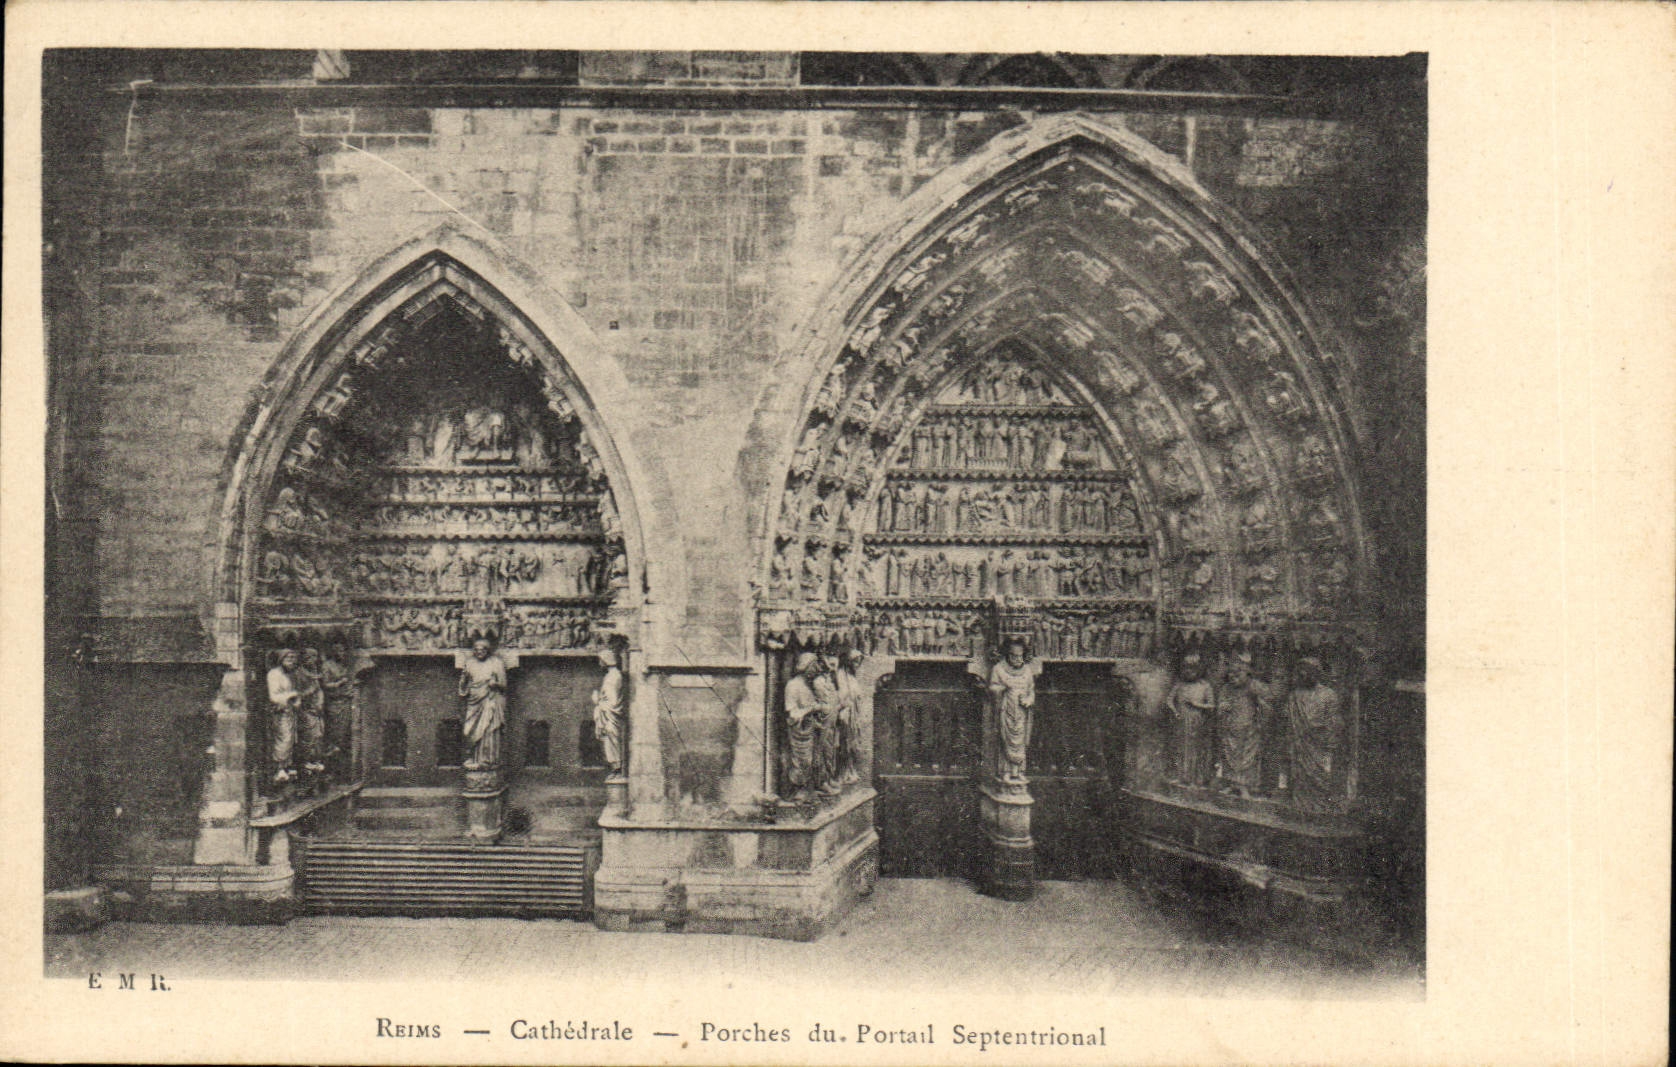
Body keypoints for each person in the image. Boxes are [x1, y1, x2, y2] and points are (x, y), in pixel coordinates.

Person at [1284, 656, 1344, 812]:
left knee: (1320, 774)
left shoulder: (1329, 694)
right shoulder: (1295, 695)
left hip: (1319, 743)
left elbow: (1334, 720)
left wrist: (1330, 740)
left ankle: (1319, 805)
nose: (1303, 674)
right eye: (1301, 671)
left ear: (1316, 673)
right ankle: (1300, 806)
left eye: (1308, 671)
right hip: (1300, 742)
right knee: (1299, 774)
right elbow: (1289, 720)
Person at [1216, 651, 1275, 798]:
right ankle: (1232, 784)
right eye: (1231, 675)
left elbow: (1267, 700)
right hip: (1231, 727)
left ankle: (1244, 786)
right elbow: (1221, 702)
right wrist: (1223, 706)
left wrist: (1261, 706)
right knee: (1229, 756)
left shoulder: (1253, 686)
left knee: (1247, 757)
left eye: (1237, 675)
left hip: (1249, 728)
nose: (1233, 678)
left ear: (1247, 673)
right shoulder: (1226, 688)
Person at [988, 637, 1042, 785]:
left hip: (1021, 712)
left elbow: (1031, 690)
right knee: (1005, 740)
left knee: (1020, 742)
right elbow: (992, 687)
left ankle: (1018, 772)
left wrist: (1029, 699)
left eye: (1020, 656)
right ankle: (1005, 771)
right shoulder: (998, 669)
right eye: (1014, 656)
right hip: (1006, 711)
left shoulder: (1027, 671)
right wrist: (1002, 689)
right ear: (1007, 654)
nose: (1017, 659)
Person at [782, 652, 835, 801]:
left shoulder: (808, 684)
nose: (817, 669)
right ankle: (798, 790)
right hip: (799, 731)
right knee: (802, 761)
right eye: (814, 666)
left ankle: (813, 786)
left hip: (811, 728)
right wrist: (813, 708)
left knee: (814, 759)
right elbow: (792, 713)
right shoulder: (793, 685)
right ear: (806, 667)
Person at [458, 636, 507, 770]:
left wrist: (495, 684)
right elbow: (464, 686)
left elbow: (503, 684)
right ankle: (474, 758)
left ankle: (488, 761)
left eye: (482, 650)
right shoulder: (470, 663)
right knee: (470, 730)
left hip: (490, 700)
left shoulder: (496, 662)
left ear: (488, 650)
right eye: (476, 650)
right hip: (474, 701)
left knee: (489, 730)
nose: (479, 653)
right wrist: (463, 683)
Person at [1169, 652, 1215, 788]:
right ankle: (1182, 776)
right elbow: (1169, 700)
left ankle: (1196, 779)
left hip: (1197, 721)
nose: (1188, 672)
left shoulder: (1205, 686)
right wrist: (1175, 711)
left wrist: (1197, 705)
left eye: (1192, 669)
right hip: (1182, 720)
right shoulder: (1180, 685)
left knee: (1195, 749)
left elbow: (1212, 705)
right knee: (1181, 748)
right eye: (1186, 668)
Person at [266, 648, 301, 785]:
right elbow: (274, 695)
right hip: (280, 711)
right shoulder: (274, 674)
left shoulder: (288, 674)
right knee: (284, 738)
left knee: (291, 738)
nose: (292, 661)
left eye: (294, 658)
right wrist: (290, 696)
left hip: (290, 710)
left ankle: (286, 766)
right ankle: (279, 767)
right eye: (289, 658)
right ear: (281, 659)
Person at [591, 646, 626, 778]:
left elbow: (613, 702)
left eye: (601, 660)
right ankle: (615, 768)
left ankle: (617, 769)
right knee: (609, 741)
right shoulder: (611, 676)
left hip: (610, 716)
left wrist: (598, 701)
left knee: (612, 740)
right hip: (608, 715)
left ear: (606, 661)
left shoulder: (613, 677)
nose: (599, 663)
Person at [296, 647, 327, 775]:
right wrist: (311, 691)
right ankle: (306, 763)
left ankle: (316, 761)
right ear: (305, 658)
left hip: (316, 711)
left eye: (315, 657)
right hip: (306, 711)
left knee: (319, 736)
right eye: (312, 657)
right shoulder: (299, 674)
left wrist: (320, 701)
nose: (315, 660)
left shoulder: (313, 672)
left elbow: (319, 690)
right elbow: (296, 694)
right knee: (309, 737)